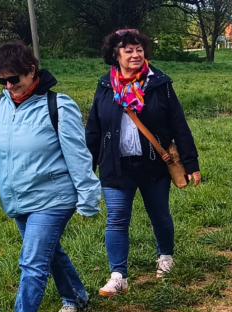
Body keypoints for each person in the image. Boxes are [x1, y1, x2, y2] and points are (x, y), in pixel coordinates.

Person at [0, 41, 101, 312]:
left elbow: (78, 156)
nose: (8, 86)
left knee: (32, 260)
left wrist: (88, 197)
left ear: (31, 71)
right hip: (17, 198)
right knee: (48, 252)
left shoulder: (59, 105)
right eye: (2, 80)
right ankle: (76, 296)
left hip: (54, 197)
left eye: (14, 79)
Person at [85, 29, 201, 296]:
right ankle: (118, 275)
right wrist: (86, 171)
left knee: (159, 214)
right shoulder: (105, 86)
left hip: (153, 165)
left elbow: (179, 125)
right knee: (116, 219)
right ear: (116, 55)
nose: (135, 54)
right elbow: (93, 131)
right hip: (116, 167)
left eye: (139, 49)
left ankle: (166, 257)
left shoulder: (159, 83)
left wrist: (192, 163)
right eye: (128, 50)